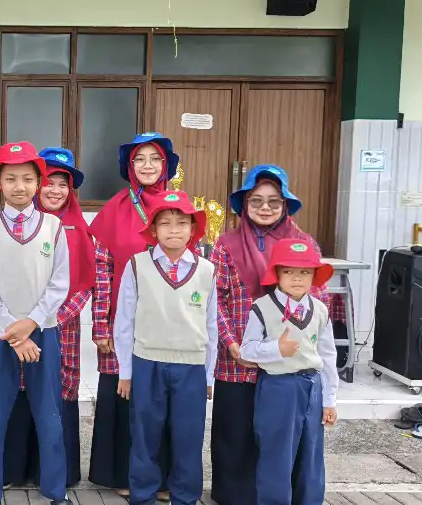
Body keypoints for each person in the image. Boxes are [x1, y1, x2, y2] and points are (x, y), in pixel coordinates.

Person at [210, 164, 335, 505]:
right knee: (237, 434)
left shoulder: (303, 243)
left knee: (289, 440)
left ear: (286, 205)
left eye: (274, 202)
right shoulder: (226, 243)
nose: (265, 208)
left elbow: (319, 298)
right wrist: (232, 344)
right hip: (237, 359)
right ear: (243, 204)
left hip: (290, 367)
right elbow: (214, 299)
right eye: (256, 201)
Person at [0, 147, 93, 487]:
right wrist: (12, 330)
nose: (19, 186)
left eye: (27, 179)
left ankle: (54, 487)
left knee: (49, 412)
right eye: (10, 179)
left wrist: (32, 323)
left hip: (45, 331)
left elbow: (60, 283)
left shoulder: (54, 226)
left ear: (38, 182)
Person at [86, 133, 177, 498]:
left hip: (170, 325)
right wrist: (100, 324)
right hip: (121, 321)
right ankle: (122, 474)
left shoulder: (178, 206)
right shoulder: (117, 207)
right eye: (140, 160)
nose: (148, 166)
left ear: (166, 164)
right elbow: (102, 271)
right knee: (124, 395)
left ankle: (165, 477)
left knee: (164, 397)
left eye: (155, 159)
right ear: (129, 167)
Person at [114, 190, 217, 505]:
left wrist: (209, 376)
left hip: (191, 367)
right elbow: (124, 322)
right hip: (148, 363)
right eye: (165, 223)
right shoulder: (137, 265)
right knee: (145, 436)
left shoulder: (206, 270)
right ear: (153, 229)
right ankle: (142, 495)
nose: (174, 229)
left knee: (188, 437)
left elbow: (211, 325)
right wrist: (125, 372)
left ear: (192, 229)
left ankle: (185, 497)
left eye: (181, 222)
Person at [240, 238, 339, 505]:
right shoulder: (262, 307)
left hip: (313, 385)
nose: (297, 279)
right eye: (289, 272)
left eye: (305, 272)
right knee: (277, 455)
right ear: (277, 274)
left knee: (312, 454)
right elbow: (246, 349)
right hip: (278, 387)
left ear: (314, 276)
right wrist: (276, 349)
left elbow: (328, 355)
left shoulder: (319, 309)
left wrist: (329, 399)